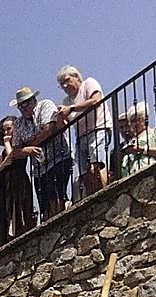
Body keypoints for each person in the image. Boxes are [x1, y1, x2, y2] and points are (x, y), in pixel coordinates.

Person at [9, 86, 72, 220]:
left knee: (57, 197)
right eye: (20, 106)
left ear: (33, 100)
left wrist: (27, 145)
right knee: (45, 205)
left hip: (58, 158)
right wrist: (25, 150)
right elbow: (15, 151)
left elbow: (48, 130)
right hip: (39, 169)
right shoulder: (18, 123)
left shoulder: (45, 105)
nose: (23, 108)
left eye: (26, 103)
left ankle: (61, 223)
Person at [56, 66, 111, 198]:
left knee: (96, 166)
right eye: (61, 84)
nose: (65, 85)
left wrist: (72, 108)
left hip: (98, 128)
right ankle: (94, 198)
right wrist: (59, 117)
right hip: (81, 137)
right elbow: (64, 125)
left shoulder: (88, 83)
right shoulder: (66, 101)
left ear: (76, 77)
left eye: (67, 80)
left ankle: (105, 194)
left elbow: (96, 100)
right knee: (85, 174)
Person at [0, 116, 35, 239]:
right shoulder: (4, 152)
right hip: (8, 184)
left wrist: (7, 143)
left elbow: (12, 156)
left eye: (9, 129)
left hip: (20, 181)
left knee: (22, 209)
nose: (6, 133)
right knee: (9, 213)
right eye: (4, 130)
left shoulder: (20, 145)